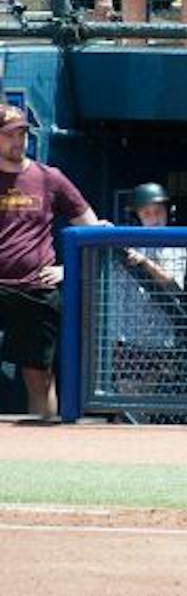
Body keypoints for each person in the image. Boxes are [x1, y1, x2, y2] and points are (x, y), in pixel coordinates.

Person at [0, 104, 98, 419]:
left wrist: (67, 270)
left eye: (23, 133)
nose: (18, 141)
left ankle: (44, 446)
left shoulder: (49, 177)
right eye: (9, 135)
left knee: (39, 378)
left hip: (35, 290)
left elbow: (91, 230)